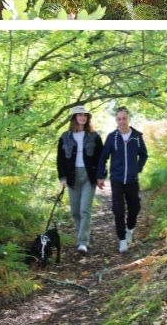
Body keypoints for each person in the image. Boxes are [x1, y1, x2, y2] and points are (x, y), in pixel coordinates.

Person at [97, 107, 149, 253]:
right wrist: (101, 176)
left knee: (135, 208)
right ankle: (122, 240)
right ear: (116, 120)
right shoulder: (112, 137)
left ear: (128, 119)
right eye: (119, 119)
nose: (122, 121)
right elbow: (103, 157)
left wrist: (137, 168)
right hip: (117, 179)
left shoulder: (137, 137)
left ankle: (130, 229)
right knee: (118, 210)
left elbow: (143, 155)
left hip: (132, 180)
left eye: (124, 118)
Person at [56, 106, 103, 254]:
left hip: (89, 176)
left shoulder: (94, 136)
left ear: (88, 118)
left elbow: (101, 158)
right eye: (80, 115)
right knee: (75, 211)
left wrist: (101, 176)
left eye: (85, 115)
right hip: (72, 176)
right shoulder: (65, 137)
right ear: (74, 117)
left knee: (84, 210)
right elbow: (60, 159)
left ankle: (83, 241)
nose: (83, 117)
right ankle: (82, 234)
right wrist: (62, 177)